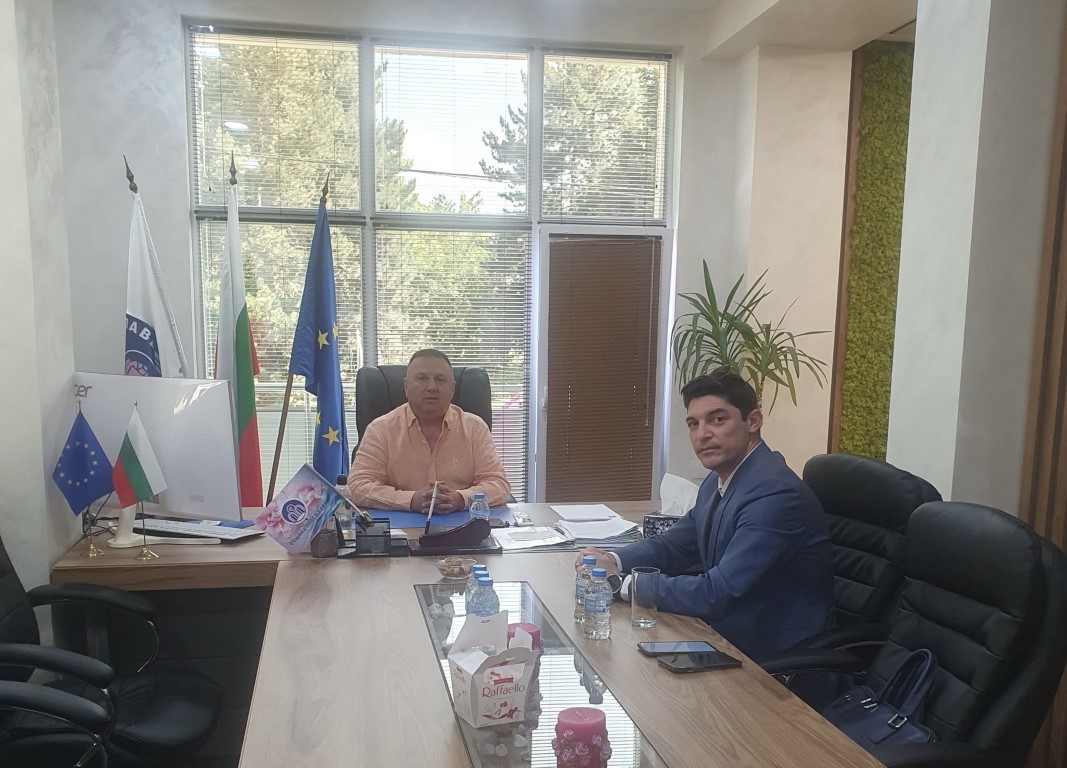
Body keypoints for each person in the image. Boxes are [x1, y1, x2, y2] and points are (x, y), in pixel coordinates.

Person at [578, 367, 834, 659]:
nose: (702, 434)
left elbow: (717, 593)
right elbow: (674, 545)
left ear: (753, 421)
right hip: (723, 637)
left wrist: (620, 583)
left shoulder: (776, 495)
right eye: (693, 424)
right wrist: (612, 560)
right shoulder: (718, 480)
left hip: (773, 661)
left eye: (718, 419)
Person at [348, 349, 511, 513]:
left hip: (462, 524)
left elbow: (498, 484)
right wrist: (410, 500)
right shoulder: (380, 429)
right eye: (422, 378)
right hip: (401, 525)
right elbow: (356, 486)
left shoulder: (475, 428)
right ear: (406, 386)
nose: (432, 387)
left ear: (452, 389)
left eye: (440, 379)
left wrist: (460, 499)